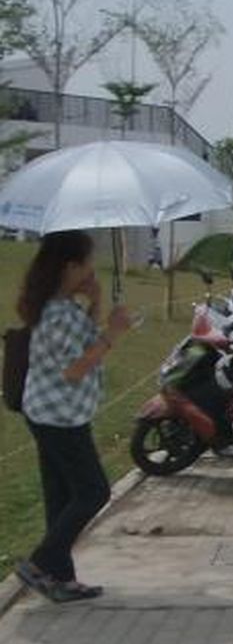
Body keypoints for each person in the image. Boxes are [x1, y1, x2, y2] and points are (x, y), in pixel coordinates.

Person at [15, 231, 133, 603]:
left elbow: (79, 341)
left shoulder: (59, 305)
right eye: (86, 262)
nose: (91, 269)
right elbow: (74, 369)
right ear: (70, 266)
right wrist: (113, 334)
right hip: (59, 417)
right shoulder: (59, 312)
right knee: (93, 491)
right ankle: (39, 564)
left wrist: (96, 304)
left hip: (52, 412)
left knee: (62, 496)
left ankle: (61, 579)